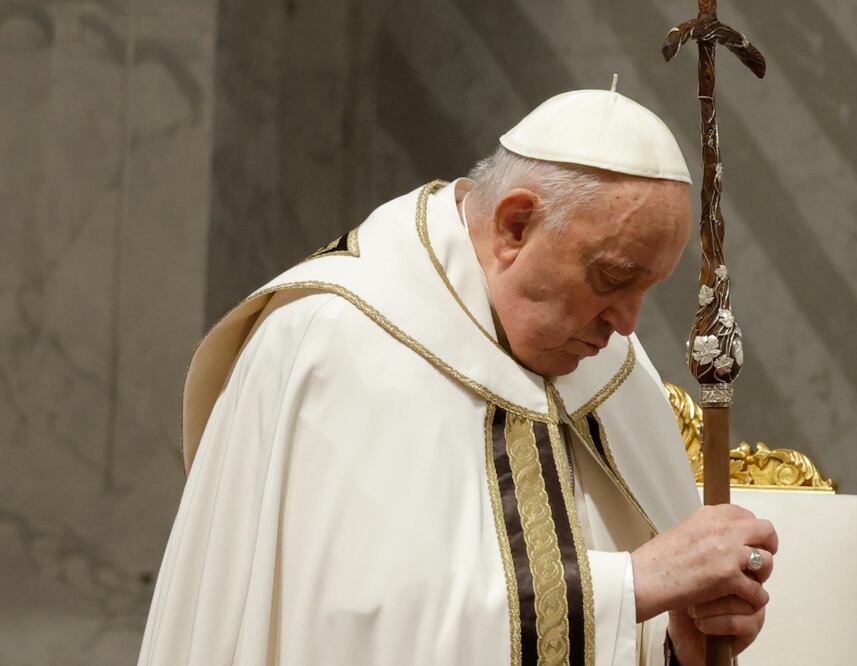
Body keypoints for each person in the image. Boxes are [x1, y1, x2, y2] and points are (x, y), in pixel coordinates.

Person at [138, 88, 778, 665]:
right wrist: (633, 586)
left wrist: (674, 645)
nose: (628, 324)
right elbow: (353, 636)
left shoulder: (610, 368)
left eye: (648, 289)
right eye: (612, 278)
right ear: (514, 226)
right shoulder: (338, 342)